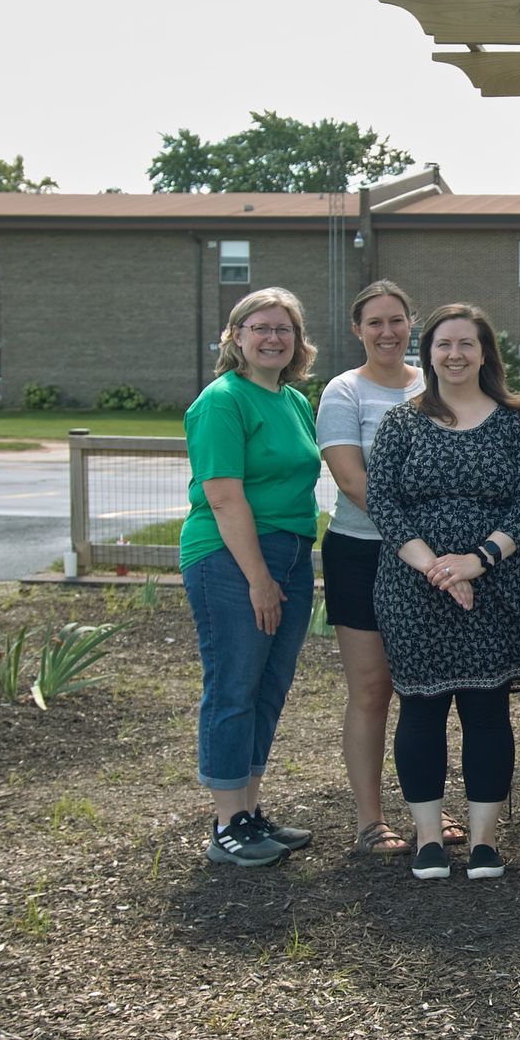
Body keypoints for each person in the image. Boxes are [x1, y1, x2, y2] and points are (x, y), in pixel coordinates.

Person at [367, 304, 520, 880]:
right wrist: (437, 570)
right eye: (444, 344)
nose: (455, 354)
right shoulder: (403, 421)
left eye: (467, 343)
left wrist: (477, 561)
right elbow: (382, 501)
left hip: (498, 583)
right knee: (421, 707)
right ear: (429, 353)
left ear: (485, 352)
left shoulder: (516, 421)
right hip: (413, 587)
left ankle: (485, 840)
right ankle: (428, 839)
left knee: (487, 708)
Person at [181, 287, 321, 867]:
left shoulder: (293, 401)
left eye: (283, 329)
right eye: (259, 327)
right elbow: (222, 496)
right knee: (234, 686)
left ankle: (249, 811)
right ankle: (226, 825)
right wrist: (258, 578)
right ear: (235, 337)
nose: (272, 338)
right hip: (232, 557)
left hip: (290, 552)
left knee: (268, 687)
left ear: (297, 341)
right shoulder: (222, 401)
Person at [315, 280, 440, 860]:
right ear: (357, 330)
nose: (387, 332)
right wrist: (416, 539)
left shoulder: (434, 384)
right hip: (363, 553)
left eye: (396, 320)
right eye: (375, 323)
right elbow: (351, 480)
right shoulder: (344, 392)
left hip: (433, 562)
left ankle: (428, 812)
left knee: (429, 690)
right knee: (372, 689)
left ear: (411, 323)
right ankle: (370, 819)